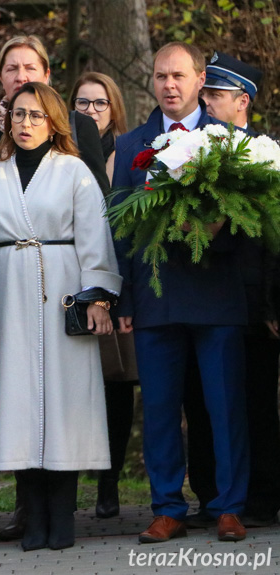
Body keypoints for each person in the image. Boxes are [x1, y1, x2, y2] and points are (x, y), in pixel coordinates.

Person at [0, 82, 120, 551]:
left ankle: (62, 519)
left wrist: (98, 297)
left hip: (64, 289)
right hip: (7, 294)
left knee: (64, 400)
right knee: (17, 401)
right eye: (18, 115)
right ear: (7, 121)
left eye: (36, 115)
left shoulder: (74, 172)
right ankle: (32, 518)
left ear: (53, 123)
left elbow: (95, 235)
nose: (26, 124)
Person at [112, 42, 250, 544]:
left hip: (216, 293)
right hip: (156, 299)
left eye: (178, 76)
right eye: (160, 76)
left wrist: (216, 230)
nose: (169, 85)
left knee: (224, 406)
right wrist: (124, 300)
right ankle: (168, 506)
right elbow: (120, 229)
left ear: (198, 81)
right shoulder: (131, 144)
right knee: (162, 410)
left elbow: (250, 219)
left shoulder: (231, 138)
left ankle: (230, 507)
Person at [185, 51, 280, 529]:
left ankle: (261, 496)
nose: (207, 102)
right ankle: (213, 495)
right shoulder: (192, 148)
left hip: (252, 299)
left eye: (215, 96)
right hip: (205, 297)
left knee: (257, 401)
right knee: (207, 403)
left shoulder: (268, 153)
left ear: (243, 101)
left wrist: (269, 302)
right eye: (205, 94)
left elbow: (273, 240)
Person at [71, 71, 136, 520]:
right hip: (70, 284)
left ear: (114, 110)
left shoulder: (129, 154)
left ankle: (109, 485)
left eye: (99, 104)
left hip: (118, 285)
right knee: (72, 387)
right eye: (82, 103)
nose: (90, 111)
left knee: (115, 385)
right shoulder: (62, 154)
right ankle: (69, 482)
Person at [0, 35, 108, 192]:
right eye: (12, 69)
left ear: (46, 75)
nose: (21, 77)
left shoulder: (79, 126)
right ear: (1, 77)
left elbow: (99, 197)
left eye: (30, 68)